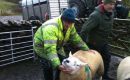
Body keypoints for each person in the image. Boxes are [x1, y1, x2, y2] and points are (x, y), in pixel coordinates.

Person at [33, 8, 90, 80]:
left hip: (57, 45)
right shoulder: (51, 28)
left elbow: (75, 38)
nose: (69, 25)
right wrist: (57, 65)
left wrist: (87, 49)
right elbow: (50, 49)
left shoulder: (70, 25)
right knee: (48, 65)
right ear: (62, 19)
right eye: (67, 22)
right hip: (42, 47)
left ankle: (58, 78)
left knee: (63, 61)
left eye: (71, 22)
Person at [80, 0, 116, 80]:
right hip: (93, 43)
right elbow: (84, 30)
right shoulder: (95, 15)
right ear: (104, 4)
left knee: (107, 58)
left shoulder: (111, 13)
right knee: (92, 62)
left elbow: (109, 27)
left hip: (103, 42)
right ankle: (90, 77)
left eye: (113, 4)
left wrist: (114, 36)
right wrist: (83, 45)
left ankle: (104, 76)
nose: (112, 6)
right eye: (110, 4)